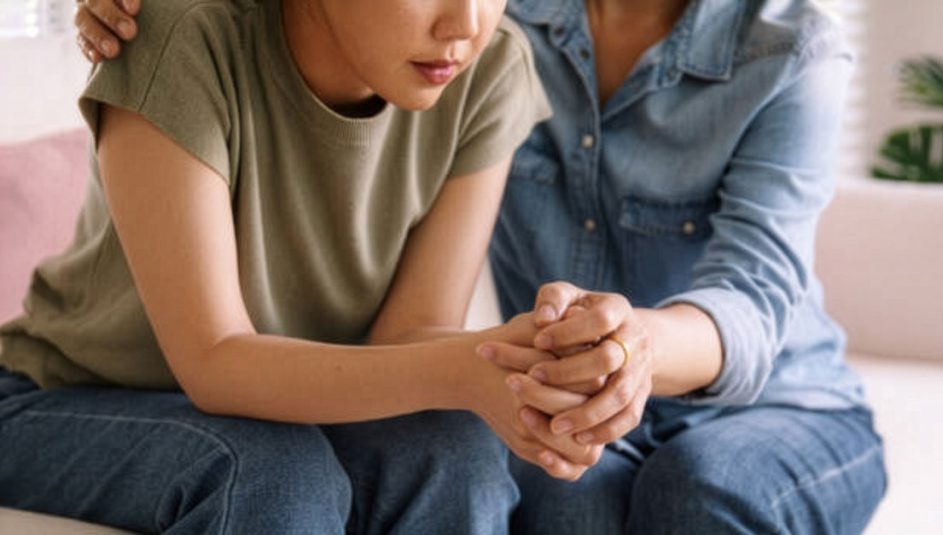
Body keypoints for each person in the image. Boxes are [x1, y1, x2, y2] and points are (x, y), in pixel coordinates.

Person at [73, 0, 889, 533]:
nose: (463, 22)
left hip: (771, 402)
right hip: (571, 402)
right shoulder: (500, 28)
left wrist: (625, 347)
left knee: (700, 491)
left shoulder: (789, 50)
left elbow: (753, 296)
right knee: (563, 501)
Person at [0, 0, 592, 532]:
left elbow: (408, 339)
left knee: (454, 450)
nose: (465, 25)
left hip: (291, 412)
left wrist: (522, 363)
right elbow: (214, 362)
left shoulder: (490, 68)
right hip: (64, 398)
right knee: (268, 472)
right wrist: (466, 367)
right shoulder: (182, 37)